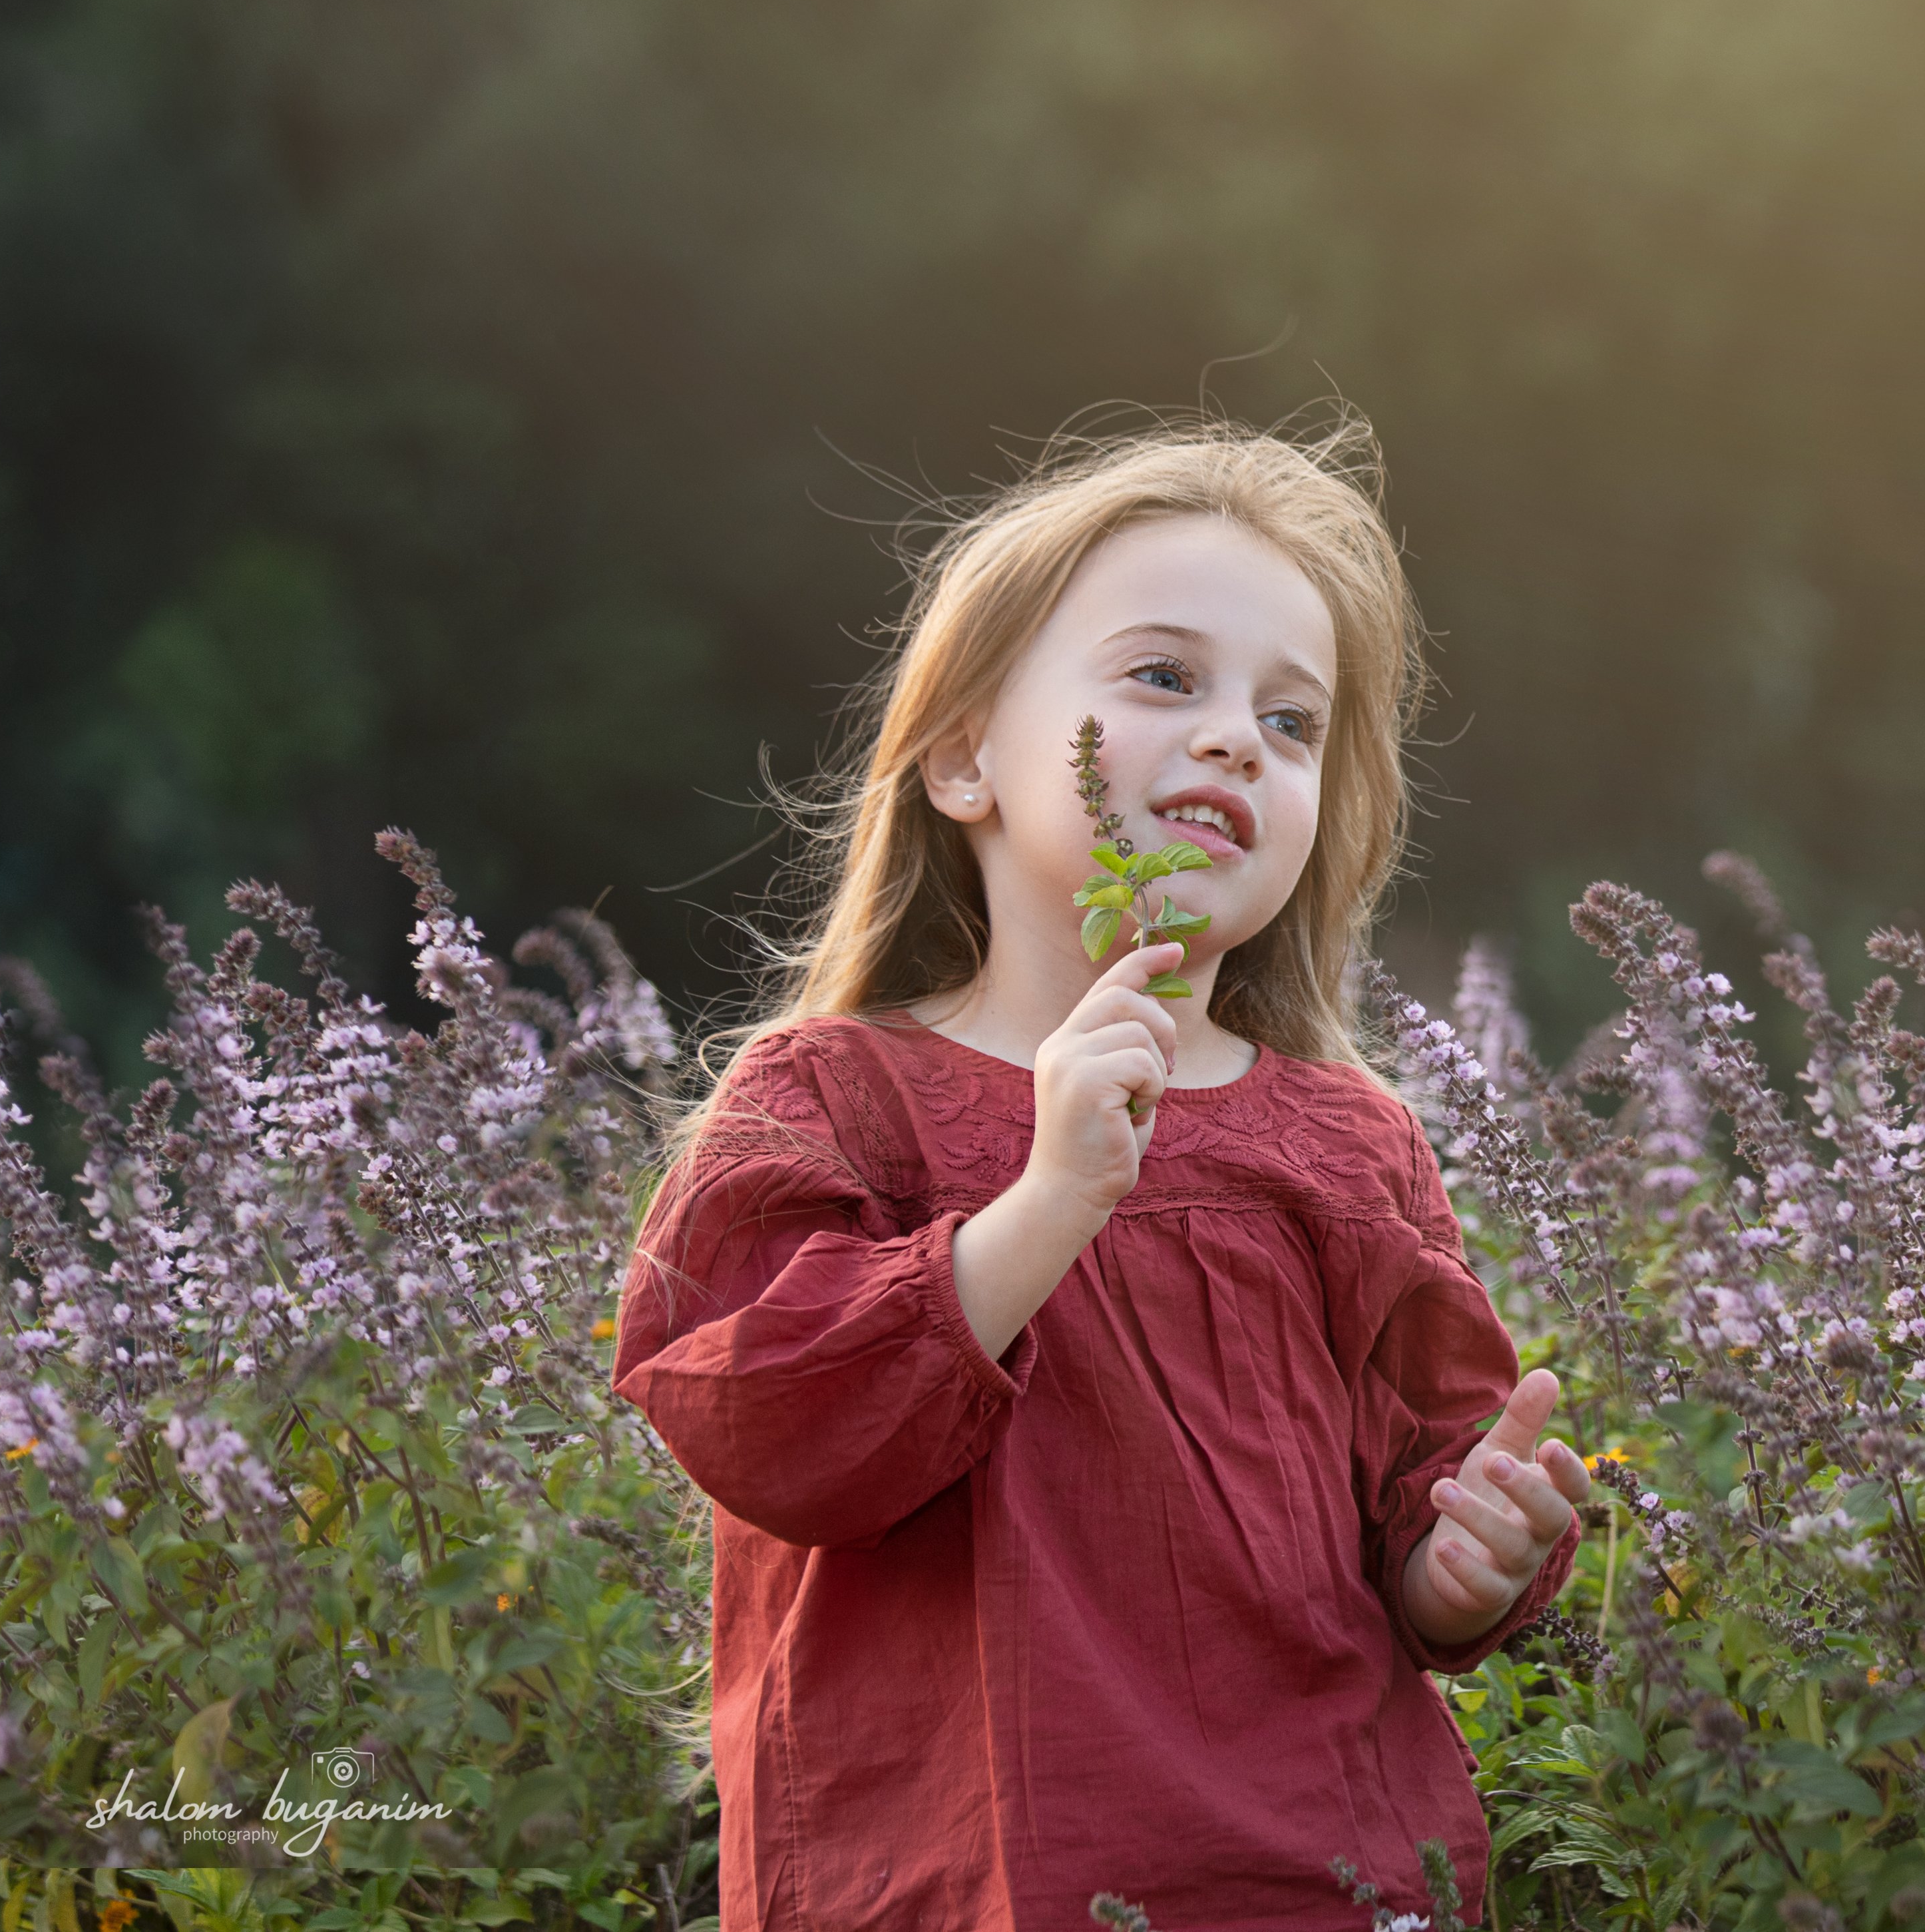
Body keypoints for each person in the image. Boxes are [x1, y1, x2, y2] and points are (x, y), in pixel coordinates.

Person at [612, 415, 1590, 1927]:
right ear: (959, 756)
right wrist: (1049, 1195)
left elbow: (1415, 1501)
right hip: (967, 1877)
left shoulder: (1345, 1140)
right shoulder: (833, 1097)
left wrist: (1464, 1560)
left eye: (1292, 720)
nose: (1231, 738)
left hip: (1321, 1880)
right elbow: (764, 1423)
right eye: (1162, 676)